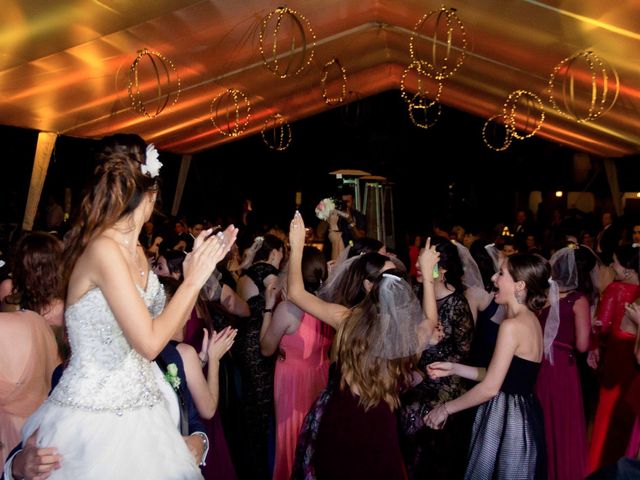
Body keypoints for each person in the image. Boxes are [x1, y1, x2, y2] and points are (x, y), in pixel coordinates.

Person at [19, 134, 237, 479]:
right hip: (95, 414)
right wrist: (194, 280)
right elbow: (150, 343)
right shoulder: (103, 249)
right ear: (147, 192)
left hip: (144, 404)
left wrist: (198, 267)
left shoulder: (136, 250)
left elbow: (164, 328)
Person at [287, 211, 439, 479]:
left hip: (342, 414)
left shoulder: (346, 319)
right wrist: (428, 275)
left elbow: (297, 294)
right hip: (378, 420)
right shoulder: (403, 332)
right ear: (368, 285)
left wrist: (297, 245)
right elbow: (430, 320)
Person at [425, 253, 549, 480]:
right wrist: (454, 368)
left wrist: (444, 409)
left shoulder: (512, 326)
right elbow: (503, 377)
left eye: (501, 273)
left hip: (508, 421)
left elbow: (491, 387)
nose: (493, 278)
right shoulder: (530, 320)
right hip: (522, 414)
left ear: (519, 285)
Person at [259, 247, 333, 480]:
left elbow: (266, 348)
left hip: (293, 381)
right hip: (321, 375)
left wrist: (268, 307)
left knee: (292, 436)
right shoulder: (330, 303)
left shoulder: (289, 308)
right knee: (315, 433)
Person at [534, 246, 592, 480]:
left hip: (539, 365)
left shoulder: (542, 297)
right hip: (562, 368)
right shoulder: (578, 300)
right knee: (564, 423)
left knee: (543, 420)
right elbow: (582, 345)